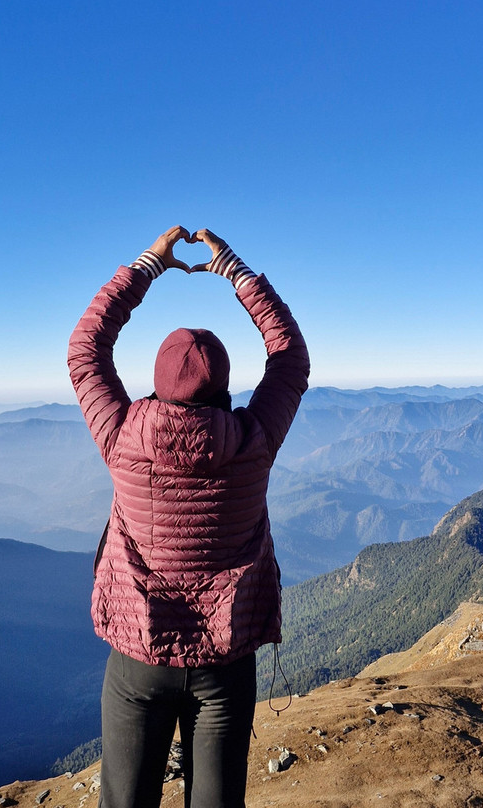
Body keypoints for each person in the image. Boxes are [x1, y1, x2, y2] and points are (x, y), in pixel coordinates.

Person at [67, 225, 309, 808]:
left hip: (139, 657)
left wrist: (147, 266)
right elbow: (289, 357)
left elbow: (86, 349)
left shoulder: (123, 437)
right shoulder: (254, 440)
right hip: (225, 662)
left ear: (157, 381)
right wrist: (234, 271)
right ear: (223, 383)